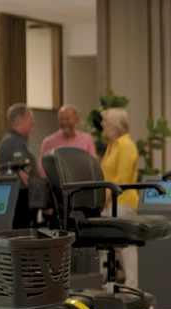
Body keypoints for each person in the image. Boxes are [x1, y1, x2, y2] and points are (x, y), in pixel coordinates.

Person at [100, 107, 140, 287]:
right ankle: (108, 282)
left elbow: (121, 179)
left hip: (122, 202)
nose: (102, 125)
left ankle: (132, 285)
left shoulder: (126, 145)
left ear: (115, 125)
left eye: (105, 122)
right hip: (110, 202)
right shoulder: (112, 145)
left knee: (126, 246)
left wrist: (104, 200)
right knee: (106, 244)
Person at [0, 103, 39, 229]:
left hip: (20, 196)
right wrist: (39, 196)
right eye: (30, 119)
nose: (33, 123)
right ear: (22, 119)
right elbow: (23, 174)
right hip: (19, 198)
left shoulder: (18, 141)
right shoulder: (12, 142)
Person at [38, 105, 96, 176]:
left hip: (82, 181)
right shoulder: (48, 142)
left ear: (76, 120)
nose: (64, 122)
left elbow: (93, 165)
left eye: (67, 119)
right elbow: (42, 168)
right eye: (61, 119)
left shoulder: (87, 139)